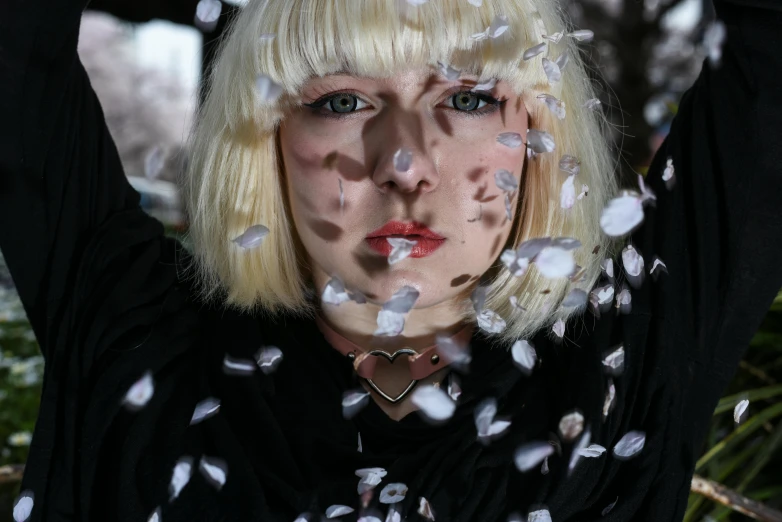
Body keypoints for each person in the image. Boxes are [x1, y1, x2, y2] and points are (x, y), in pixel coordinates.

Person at [1, 0, 780, 521]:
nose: (404, 162)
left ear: (542, 134)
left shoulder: (625, 361)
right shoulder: (138, 344)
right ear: (266, 140)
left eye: (468, 97)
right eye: (342, 101)